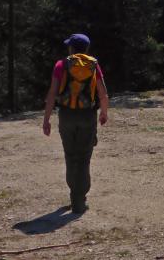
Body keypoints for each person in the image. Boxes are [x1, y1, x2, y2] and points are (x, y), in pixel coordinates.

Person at [42, 33, 109, 213]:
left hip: (66, 115)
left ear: (71, 48)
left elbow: (52, 94)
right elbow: (103, 93)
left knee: (70, 156)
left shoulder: (61, 65)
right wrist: (104, 112)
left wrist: (46, 119)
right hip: (88, 115)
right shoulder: (93, 65)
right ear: (86, 49)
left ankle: (75, 194)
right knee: (84, 158)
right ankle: (80, 197)